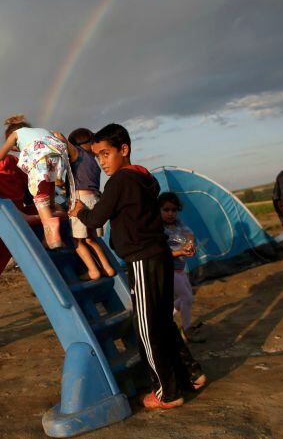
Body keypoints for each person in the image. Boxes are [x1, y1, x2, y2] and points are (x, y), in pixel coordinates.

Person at [69, 123, 205, 410]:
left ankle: (166, 393)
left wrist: (79, 209)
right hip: (161, 256)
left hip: (142, 260)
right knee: (163, 322)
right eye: (97, 156)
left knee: (145, 327)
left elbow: (96, 219)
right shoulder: (145, 178)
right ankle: (190, 374)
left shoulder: (119, 182)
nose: (102, 162)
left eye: (106, 154)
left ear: (124, 150)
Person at [0, 114, 70, 248]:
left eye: (14, 148)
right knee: (48, 197)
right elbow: (26, 179)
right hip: (56, 156)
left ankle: (51, 237)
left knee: (40, 200)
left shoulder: (14, 136)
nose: (16, 151)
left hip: (6, 208)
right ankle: (55, 209)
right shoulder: (40, 134)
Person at [58, 128, 115, 280]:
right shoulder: (94, 162)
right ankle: (107, 268)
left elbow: (61, 138)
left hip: (80, 201)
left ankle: (93, 271)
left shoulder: (78, 154)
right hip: (94, 199)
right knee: (91, 239)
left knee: (77, 241)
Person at [158, 192, 198, 339]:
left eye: (174, 210)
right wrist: (181, 251)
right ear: (159, 210)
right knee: (187, 297)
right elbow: (162, 253)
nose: (170, 213)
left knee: (187, 297)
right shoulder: (159, 229)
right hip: (169, 269)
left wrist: (190, 245)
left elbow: (189, 234)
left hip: (181, 268)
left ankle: (161, 320)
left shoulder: (178, 224)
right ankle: (186, 330)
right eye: (166, 210)